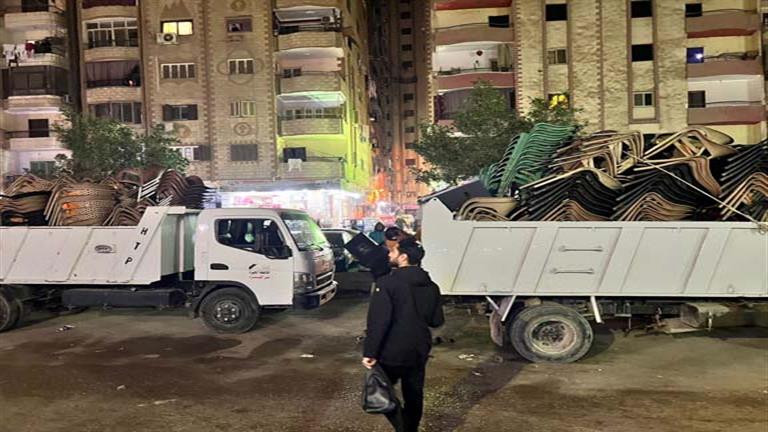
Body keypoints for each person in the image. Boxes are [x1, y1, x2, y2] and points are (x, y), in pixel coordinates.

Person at [362, 237, 445, 432]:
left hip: (391, 349)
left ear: (403, 257)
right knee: (414, 393)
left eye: (393, 251)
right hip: (419, 348)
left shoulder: (387, 283)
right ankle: (411, 428)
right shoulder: (432, 286)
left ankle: (403, 427)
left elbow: (378, 321)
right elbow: (436, 321)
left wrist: (370, 352)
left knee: (380, 392)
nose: (389, 254)